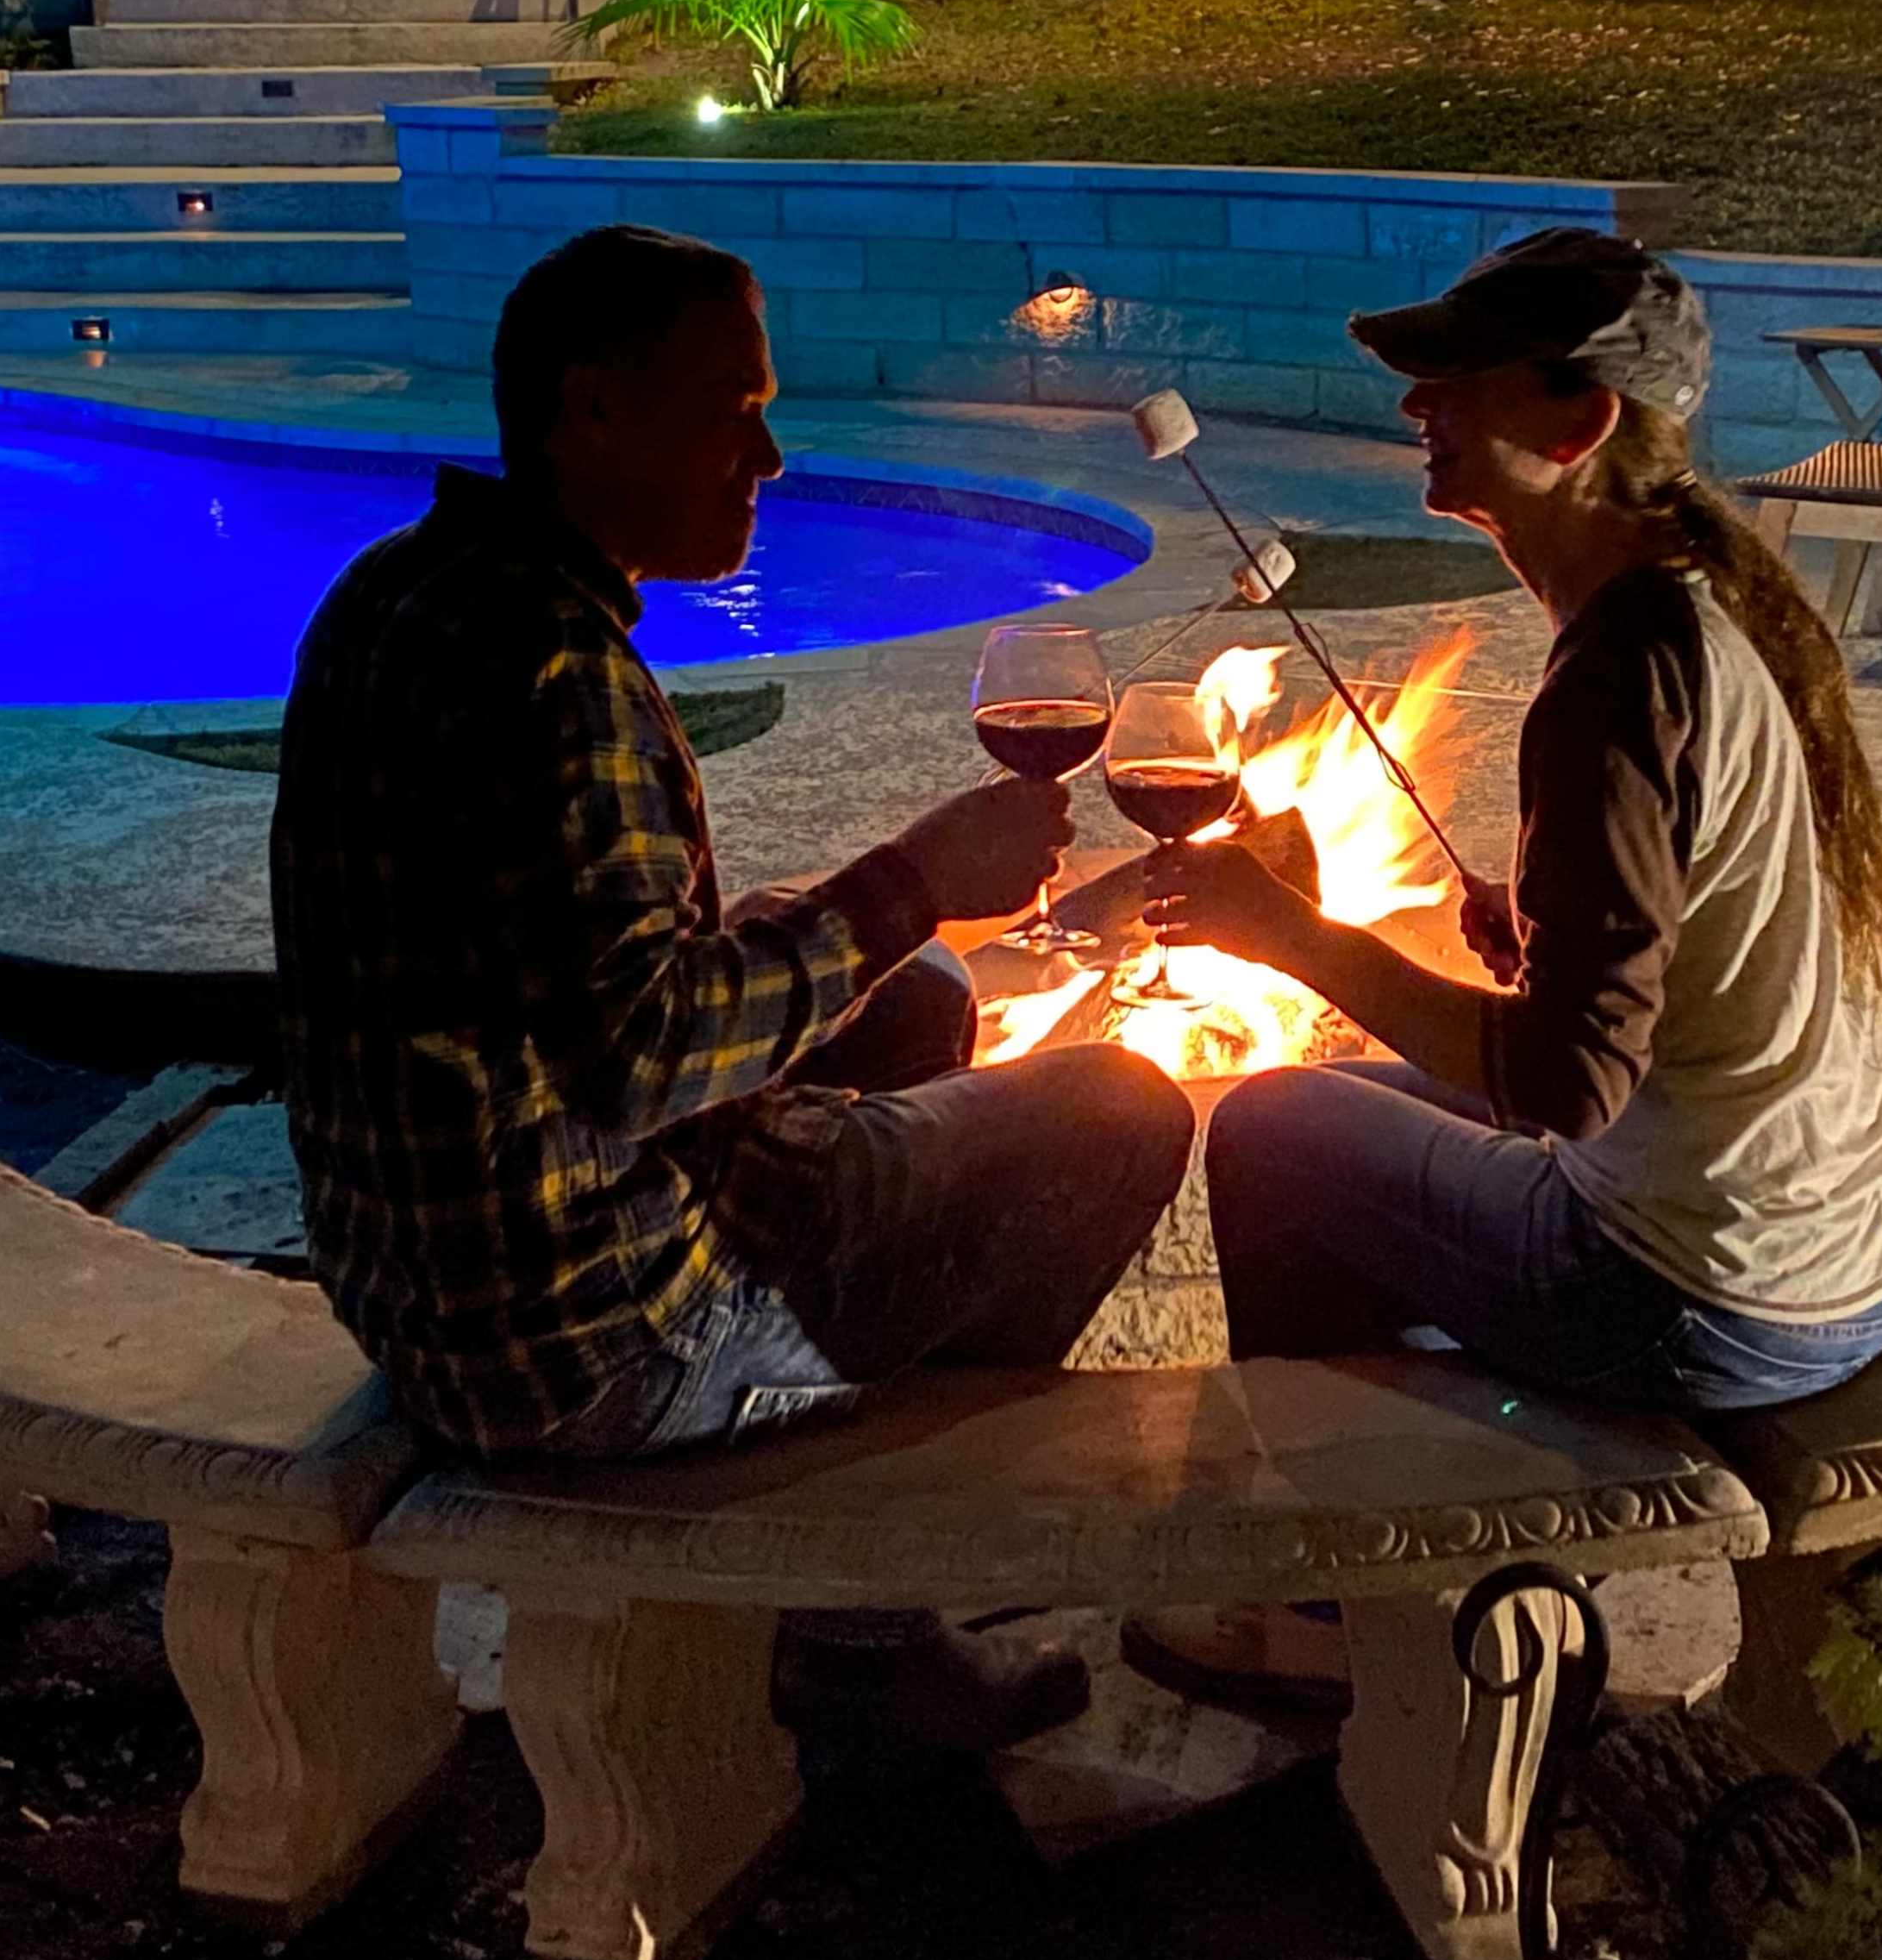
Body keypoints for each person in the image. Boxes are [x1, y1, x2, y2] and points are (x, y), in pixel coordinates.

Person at [272, 223, 1195, 1752]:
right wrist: (912, 878)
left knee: (918, 1008)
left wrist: (866, 931)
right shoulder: (556, 673)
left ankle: (839, 1473)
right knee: (1118, 1109)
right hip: (586, 1355)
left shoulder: (400, 594)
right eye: (734, 409)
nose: (767, 458)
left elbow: (534, 973)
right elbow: (640, 1055)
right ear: (593, 411)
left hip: (425, 1285)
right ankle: (863, 1609)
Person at [1127, 226, 1882, 1709]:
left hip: (1708, 1296)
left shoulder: (1622, 669)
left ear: (1575, 425)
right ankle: (1452, 1503)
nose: (1417, 408)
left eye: (1452, 383)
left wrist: (1295, 936)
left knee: (1273, 1130)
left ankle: (1338, 1603)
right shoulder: (1715, 598)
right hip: (1850, 1258)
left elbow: (1568, 1082)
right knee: (1367, 1100)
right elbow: (1685, 959)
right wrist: (1545, 941)